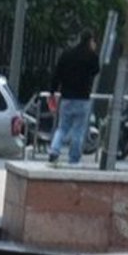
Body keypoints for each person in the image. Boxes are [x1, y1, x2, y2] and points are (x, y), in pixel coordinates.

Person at [47, 30, 100, 165]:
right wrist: (93, 52)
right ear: (90, 41)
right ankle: (74, 158)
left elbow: (57, 74)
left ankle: (54, 150)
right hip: (83, 98)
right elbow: (96, 70)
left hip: (66, 98)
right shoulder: (91, 56)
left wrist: (52, 91)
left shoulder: (67, 54)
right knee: (78, 130)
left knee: (62, 127)